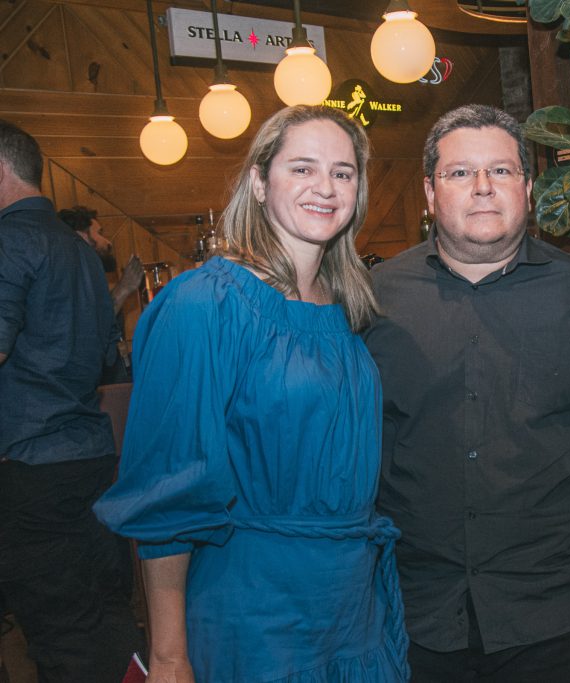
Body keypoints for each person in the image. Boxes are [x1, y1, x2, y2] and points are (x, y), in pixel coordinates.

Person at [93, 105, 409, 682]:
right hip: (254, 614)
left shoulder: (343, 311)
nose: (325, 187)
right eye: (303, 168)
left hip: (351, 610)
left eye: (343, 172)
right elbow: (167, 494)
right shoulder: (204, 303)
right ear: (260, 182)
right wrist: (169, 658)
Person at [363, 104, 570, 681]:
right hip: (414, 613)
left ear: (527, 187)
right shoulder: (370, 302)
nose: (481, 188)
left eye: (500, 172)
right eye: (458, 173)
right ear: (429, 193)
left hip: (556, 617)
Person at [0, 119, 143, 681]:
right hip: (89, 461)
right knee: (107, 622)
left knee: (62, 639)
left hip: (32, 468)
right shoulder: (80, 250)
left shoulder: (10, 239)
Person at [57, 205, 144, 317]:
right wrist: (124, 287)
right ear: (82, 237)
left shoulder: (86, 275)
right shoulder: (67, 278)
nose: (108, 243)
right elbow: (92, 323)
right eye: (99, 233)